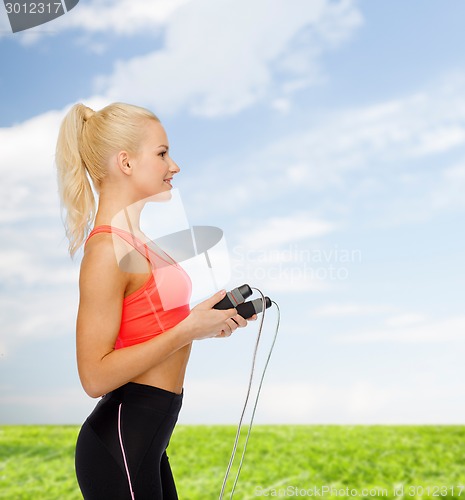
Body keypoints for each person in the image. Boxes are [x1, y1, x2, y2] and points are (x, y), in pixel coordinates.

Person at [55, 102, 254, 499]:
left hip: (147, 444)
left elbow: (153, 329)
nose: (174, 166)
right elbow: (94, 377)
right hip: (121, 444)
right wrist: (186, 330)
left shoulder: (140, 244)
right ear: (125, 163)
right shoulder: (106, 250)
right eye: (162, 154)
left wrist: (203, 324)